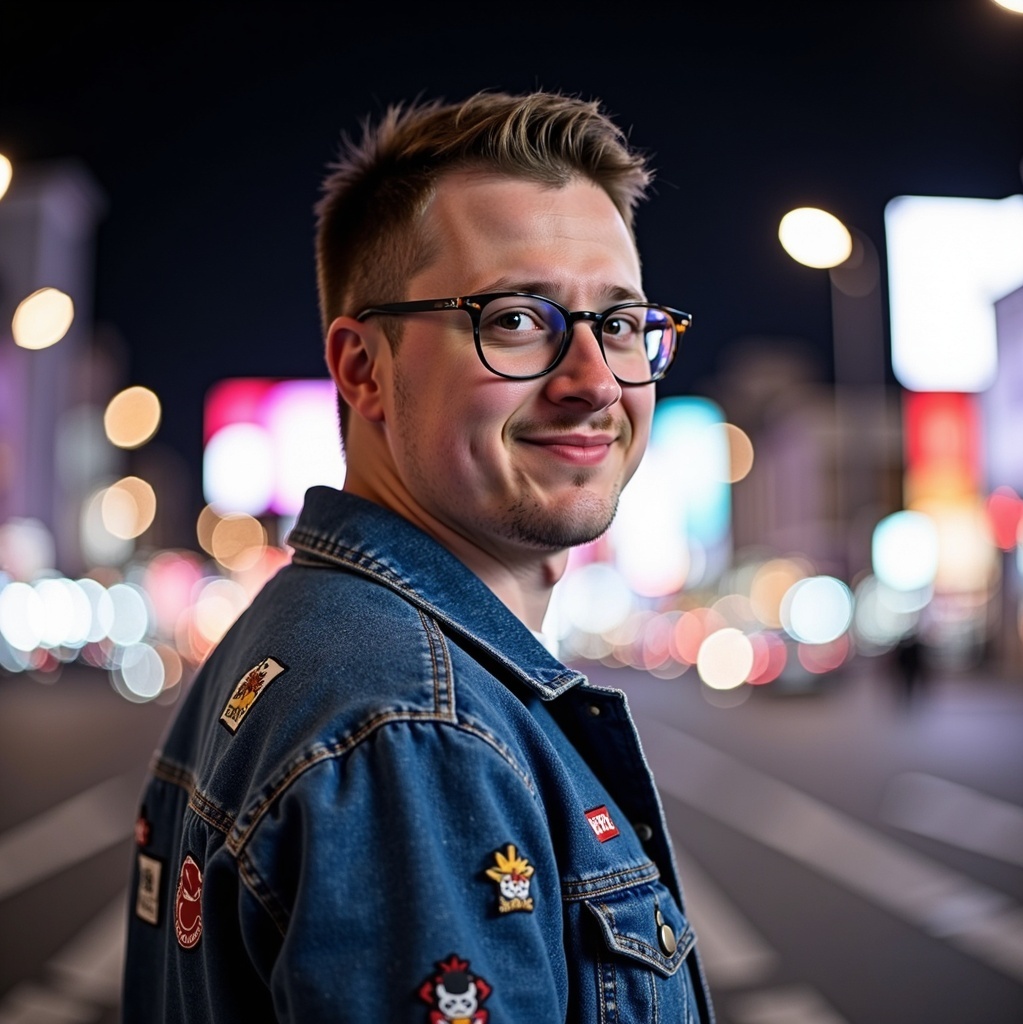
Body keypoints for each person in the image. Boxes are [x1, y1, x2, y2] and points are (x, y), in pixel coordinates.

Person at [122, 89, 713, 1022]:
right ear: (364, 369)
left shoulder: (297, 630)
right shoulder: (416, 732)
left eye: (623, 322)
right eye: (518, 318)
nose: (597, 380)